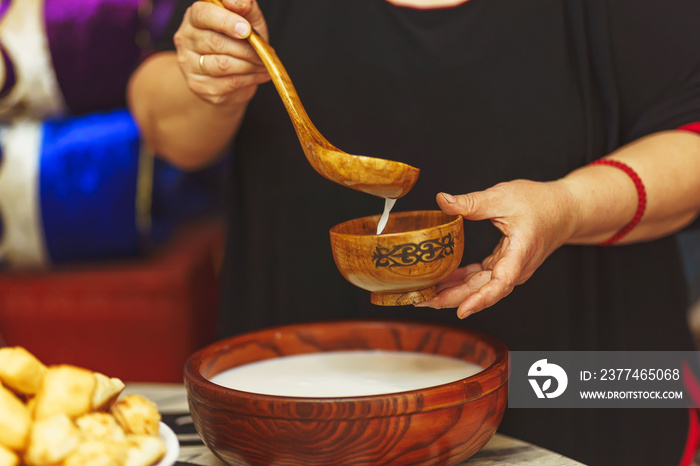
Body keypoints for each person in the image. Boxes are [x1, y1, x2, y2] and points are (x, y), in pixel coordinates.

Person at [127, 1, 700, 464]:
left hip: (581, 380)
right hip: (305, 389)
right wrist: (211, 79)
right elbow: (164, 123)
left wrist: (568, 205)